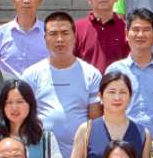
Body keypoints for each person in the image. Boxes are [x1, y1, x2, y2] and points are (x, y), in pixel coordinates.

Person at [19, 12, 102, 147]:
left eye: (65, 33)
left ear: (74, 36)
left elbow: (96, 122)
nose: (59, 39)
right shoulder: (31, 75)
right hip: (41, 152)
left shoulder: (91, 74)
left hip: (79, 153)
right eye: (53, 34)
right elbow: (22, 118)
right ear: (45, 38)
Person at [69, 72, 147, 158]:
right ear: (100, 96)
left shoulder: (142, 133)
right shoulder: (86, 130)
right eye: (112, 92)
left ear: (130, 97)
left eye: (123, 92)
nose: (117, 97)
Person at [108, 8, 153, 131]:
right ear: (126, 34)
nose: (140, 35)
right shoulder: (114, 70)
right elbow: (107, 108)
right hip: (122, 140)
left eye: (146, 30)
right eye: (136, 30)